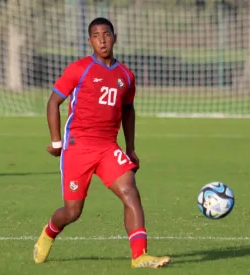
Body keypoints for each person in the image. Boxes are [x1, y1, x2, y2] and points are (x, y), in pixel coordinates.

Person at [33, 17, 170, 269]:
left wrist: (130, 148)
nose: (102, 40)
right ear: (90, 41)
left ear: (114, 37)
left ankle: (140, 255)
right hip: (78, 147)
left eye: (106, 34)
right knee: (72, 212)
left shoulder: (125, 76)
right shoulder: (79, 68)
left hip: (108, 147)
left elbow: (128, 111)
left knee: (131, 192)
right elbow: (53, 102)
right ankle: (49, 232)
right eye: (96, 36)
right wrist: (56, 142)